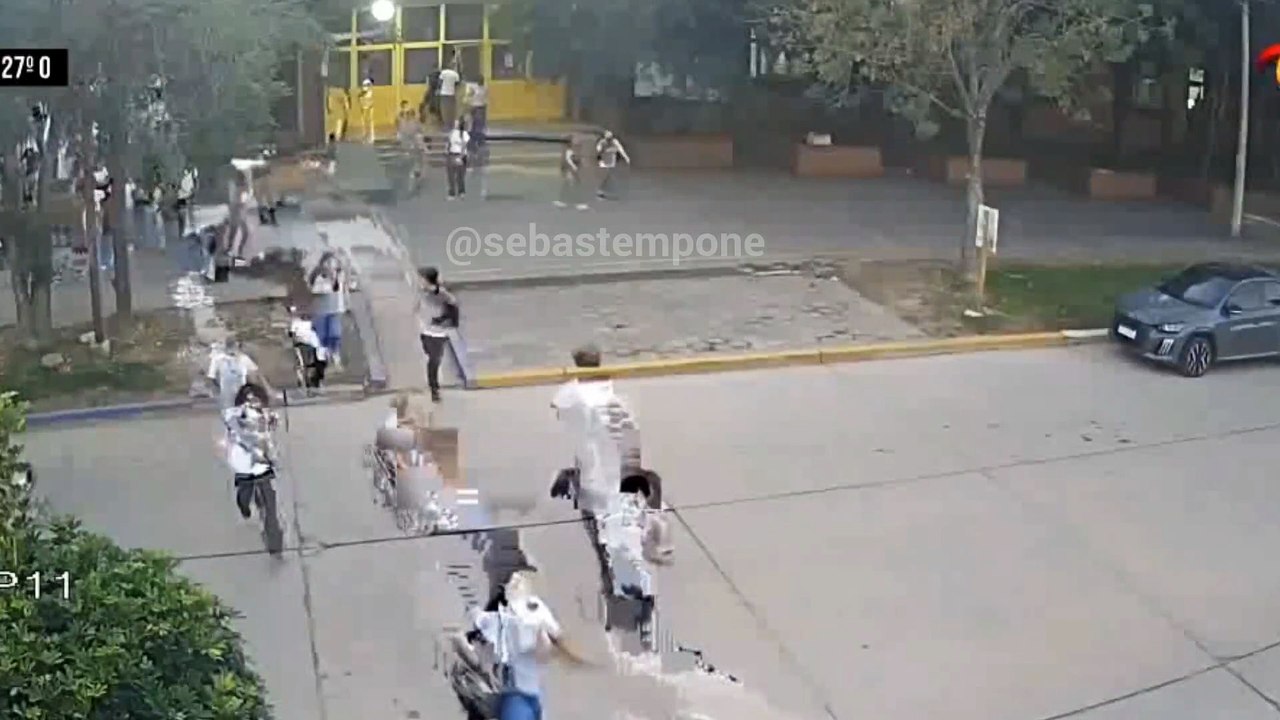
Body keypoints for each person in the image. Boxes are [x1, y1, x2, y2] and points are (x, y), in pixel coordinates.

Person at [466, 570, 591, 720]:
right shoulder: (521, 618)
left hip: (528, 695)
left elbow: (557, 639)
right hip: (518, 695)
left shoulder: (534, 612)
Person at [221, 382, 276, 520]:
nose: (253, 402)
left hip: (260, 451)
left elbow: (269, 429)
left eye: (256, 399)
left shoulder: (263, 413)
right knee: (246, 486)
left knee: (265, 479)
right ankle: (244, 504)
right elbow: (233, 426)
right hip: (243, 453)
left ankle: (266, 506)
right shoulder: (236, 414)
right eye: (249, 399)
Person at [415, 266, 461, 403]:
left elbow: (454, 303)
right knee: (430, 355)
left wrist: (444, 320)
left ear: (427, 280)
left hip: (438, 333)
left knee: (434, 360)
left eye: (421, 279)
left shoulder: (441, 293)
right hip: (425, 330)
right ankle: (433, 383)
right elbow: (418, 306)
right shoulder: (422, 292)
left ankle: (434, 388)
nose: (419, 281)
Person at [206, 338, 270, 411]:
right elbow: (211, 377)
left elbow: (257, 373)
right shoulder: (218, 359)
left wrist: (267, 389)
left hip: (241, 394)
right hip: (227, 395)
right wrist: (214, 392)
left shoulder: (244, 358)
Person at [308, 252, 347, 367]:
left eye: (333, 262)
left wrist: (345, 304)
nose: (330, 265)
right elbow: (314, 289)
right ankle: (322, 359)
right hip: (321, 310)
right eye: (328, 262)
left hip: (335, 308)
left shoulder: (339, 274)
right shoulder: (319, 274)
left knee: (335, 334)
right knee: (322, 336)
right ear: (323, 263)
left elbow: (342, 290)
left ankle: (334, 354)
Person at [289, 307, 328, 390]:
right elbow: (292, 333)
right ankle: (303, 381)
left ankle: (311, 381)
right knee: (303, 364)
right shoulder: (296, 322)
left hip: (312, 345)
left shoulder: (311, 323)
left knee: (312, 364)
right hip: (301, 344)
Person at [594, 130, 630, 200]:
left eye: (610, 139)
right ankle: (601, 191)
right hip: (604, 160)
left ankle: (602, 191)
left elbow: (620, 149)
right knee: (605, 175)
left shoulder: (615, 142)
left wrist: (626, 157)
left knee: (608, 176)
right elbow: (598, 151)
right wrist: (600, 160)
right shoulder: (602, 142)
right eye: (608, 139)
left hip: (611, 161)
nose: (609, 141)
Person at [554, 138, 589, 210]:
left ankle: (568, 202)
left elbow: (579, 163)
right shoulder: (569, 152)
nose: (578, 146)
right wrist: (565, 171)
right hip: (571, 171)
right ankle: (568, 202)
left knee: (573, 186)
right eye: (576, 144)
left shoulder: (576, 153)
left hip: (575, 172)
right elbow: (565, 163)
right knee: (571, 186)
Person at [445, 119, 469, 200]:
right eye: (455, 124)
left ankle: (461, 192)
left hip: (460, 155)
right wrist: (447, 151)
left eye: (457, 124)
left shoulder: (464, 134)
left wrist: (461, 157)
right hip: (451, 155)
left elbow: (464, 146)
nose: (456, 125)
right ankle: (451, 193)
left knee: (460, 176)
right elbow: (448, 143)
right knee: (451, 176)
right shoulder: (451, 133)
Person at [438, 61, 461, 130]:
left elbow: (440, 82)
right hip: (451, 94)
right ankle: (451, 125)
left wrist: (439, 89)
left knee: (444, 110)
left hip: (444, 93)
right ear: (454, 67)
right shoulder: (456, 74)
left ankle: (446, 125)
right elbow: (457, 85)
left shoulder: (443, 72)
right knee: (451, 110)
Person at [358, 78, 376, 143]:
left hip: (367, 103)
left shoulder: (367, 86)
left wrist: (360, 95)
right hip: (367, 102)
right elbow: (364, 92)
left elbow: (364, 92)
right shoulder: (367, 85)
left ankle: (368, 135)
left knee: (366, 120)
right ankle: (367, 135)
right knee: (367, 120)